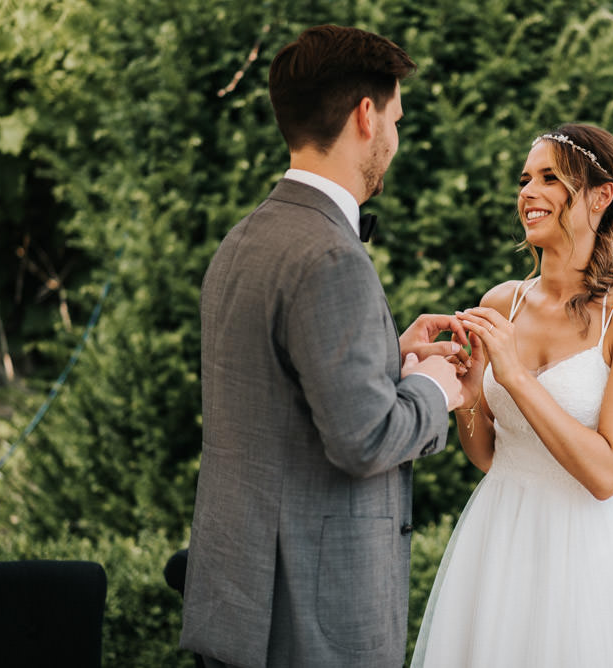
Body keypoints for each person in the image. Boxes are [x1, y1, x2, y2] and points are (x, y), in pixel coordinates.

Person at [181, 25, 467, 668]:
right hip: (310, 618)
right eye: (395, 118)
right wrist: (435, 390)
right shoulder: (331, 255)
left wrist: (390, 360)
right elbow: (362, 440)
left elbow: (281, 387)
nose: (395, 139)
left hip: (241, 597)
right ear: (366, 116)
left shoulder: (246, 237)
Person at [412, 124, 613, 667]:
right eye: (526, 179)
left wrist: (517, 376)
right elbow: (486, 454)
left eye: (550, 178)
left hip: (585, 553)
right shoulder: (503, 303)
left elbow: (608, 473)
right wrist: (473, 392)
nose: (528, 191)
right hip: (498, 534)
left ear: (601, 196)